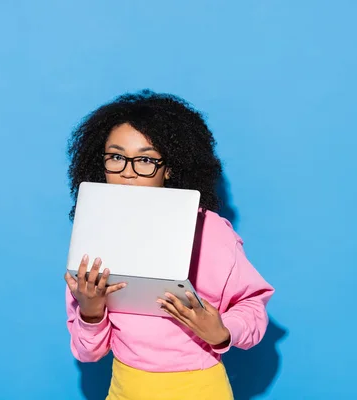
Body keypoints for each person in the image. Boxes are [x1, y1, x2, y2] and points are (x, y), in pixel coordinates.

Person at [63, 90, 275, 400]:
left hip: (200, 390)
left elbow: (253, 305)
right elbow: (87, 353)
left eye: (146, 159)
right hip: (125, 390)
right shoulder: (91, 235)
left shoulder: (210, 230)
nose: (128, 172)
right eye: (117, 157)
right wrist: (91, 313)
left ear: (170, 167)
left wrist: (222, 331)